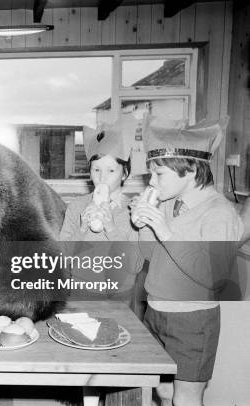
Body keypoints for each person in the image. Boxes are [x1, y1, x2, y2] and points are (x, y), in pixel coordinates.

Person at [131, 115, 242, 406]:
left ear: (191, 169)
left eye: (159, 174)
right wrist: (144, 224)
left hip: (193, 320)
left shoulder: (220, 213)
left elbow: (215, 278)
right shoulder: (168, 204)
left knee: (186, 399)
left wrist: (166, 232)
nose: (151, 181)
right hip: (156, 311)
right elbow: (150, 256)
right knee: (164, 392)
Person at [59, 117, 145, 307]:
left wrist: (111, 229)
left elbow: (135, 265)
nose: (102, 177)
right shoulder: (76, 206)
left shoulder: (135, 211)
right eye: (96, 169)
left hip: (118, 295)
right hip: (80, 291)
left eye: (111, 171)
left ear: (125, 173)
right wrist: (81, 230)